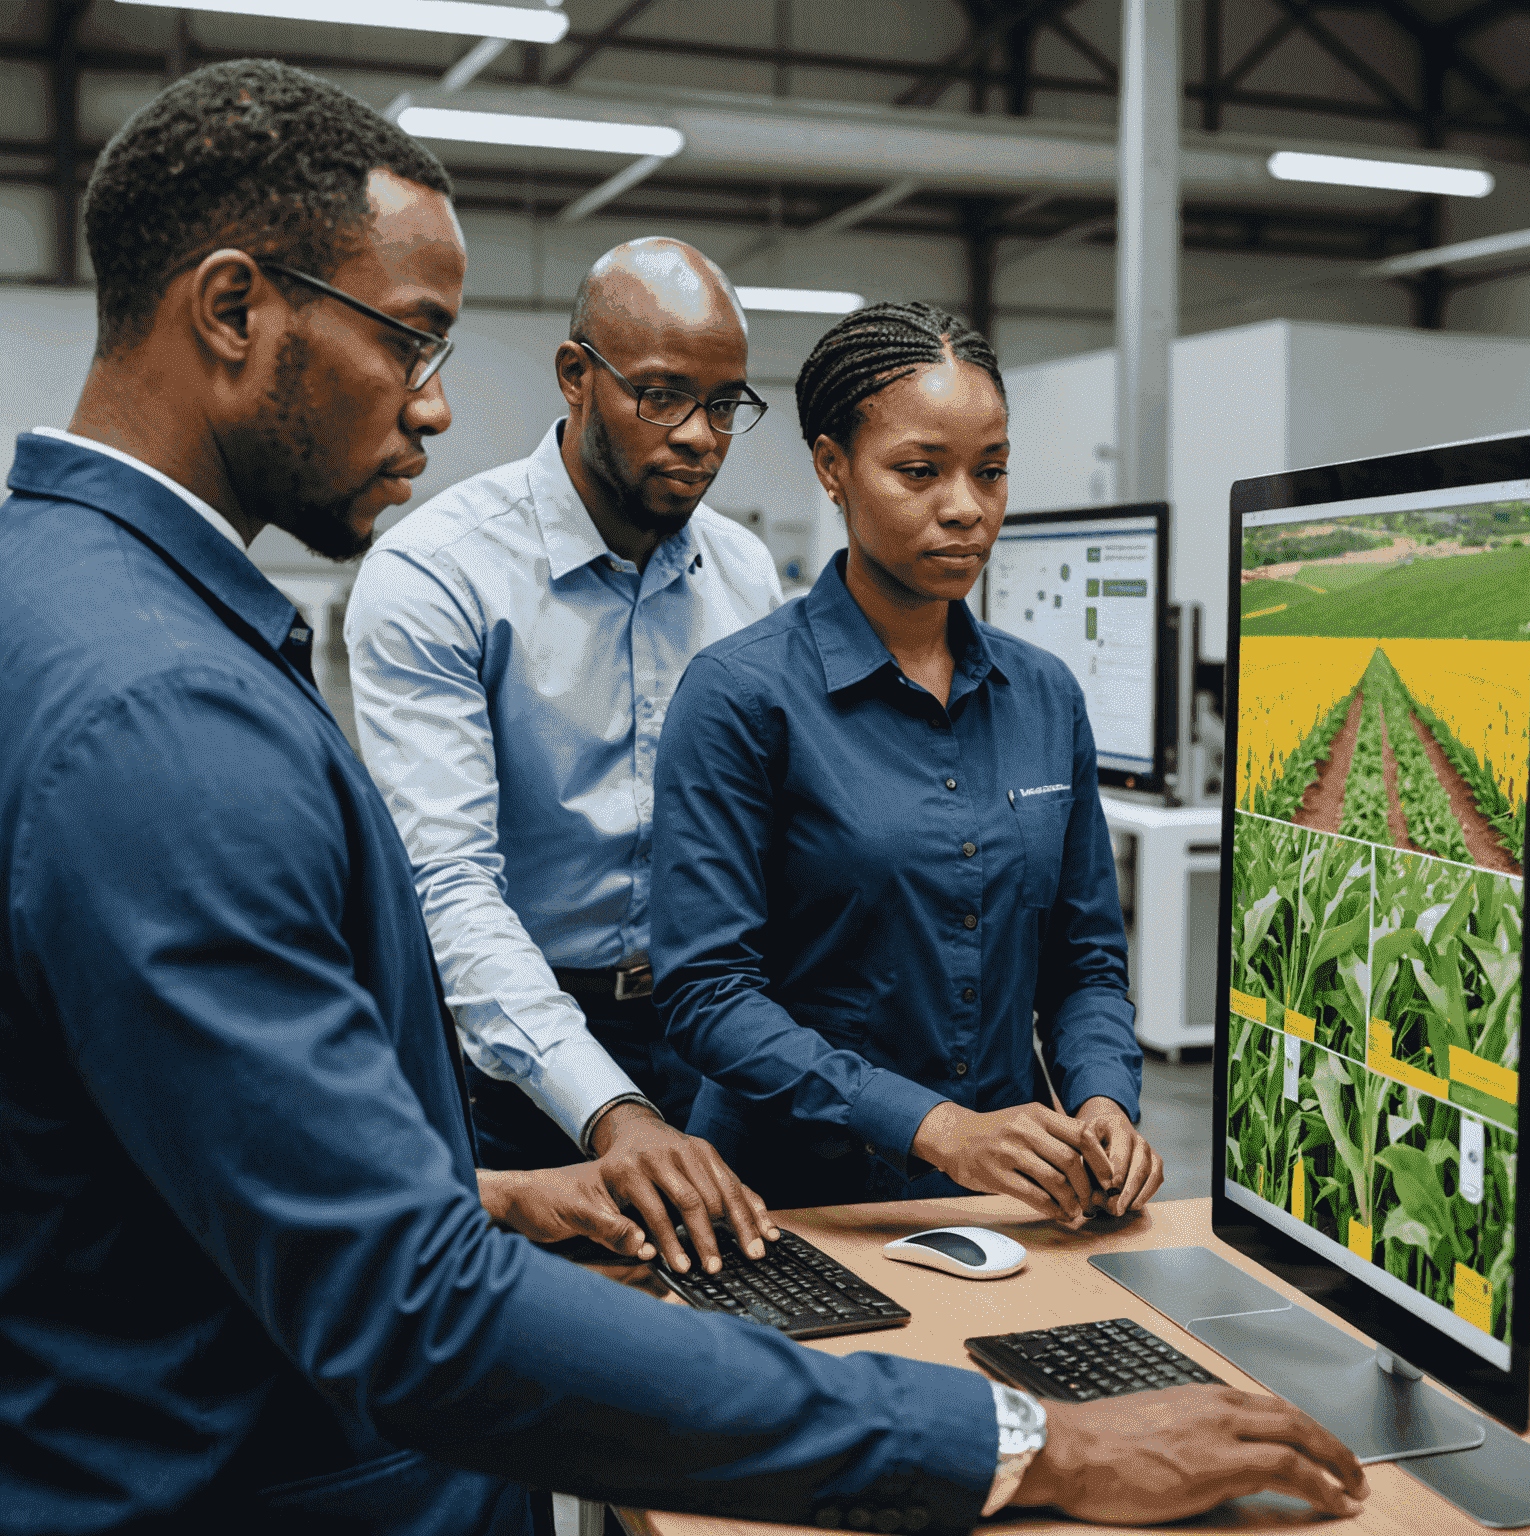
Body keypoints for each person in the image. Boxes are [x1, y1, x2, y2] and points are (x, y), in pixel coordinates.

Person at [0, 61, 1370, 1535]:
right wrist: (1024, 1443)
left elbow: (208, 1151)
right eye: (412, 342)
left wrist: (485, 1199)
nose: (441, 402)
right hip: (268, 1466)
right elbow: (416, 1312)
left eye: (729, 406)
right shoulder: (173, 711)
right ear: (230, 310)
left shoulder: (70, 604)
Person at [651, 302, 1165, 1216]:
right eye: (919, 472)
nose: (965, 507)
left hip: (1007, 1209)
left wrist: (1101, 1101)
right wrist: (936, 1127)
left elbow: (1084, 963)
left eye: (992, 471)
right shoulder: (741, 695)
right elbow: (707, 994)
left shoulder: (1045, 697)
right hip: (793, 1206)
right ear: (831, 468)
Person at [346, 236, 780, 1275]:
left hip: (708, 1029)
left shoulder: (746, 574)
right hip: (514, 1061)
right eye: (664, 396)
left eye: (725, 405)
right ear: (576, 376)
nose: (700, 438)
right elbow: (450, 887)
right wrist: (613, 1113)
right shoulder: (437, 575)